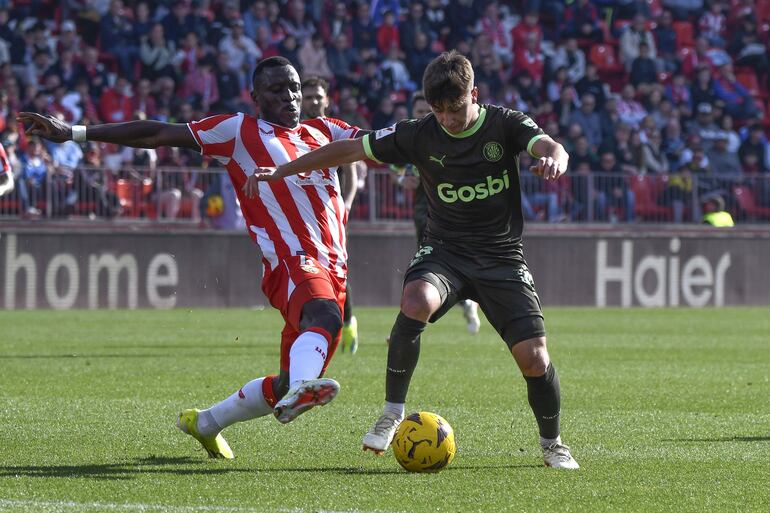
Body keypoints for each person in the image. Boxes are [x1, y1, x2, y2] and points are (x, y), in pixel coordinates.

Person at [245, 51, 579, 469]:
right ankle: (391, 414)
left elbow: (549, 145)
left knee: (535, 359)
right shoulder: (419, 133)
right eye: (439, 112)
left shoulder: (505, 124)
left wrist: (554, 159)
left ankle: (552, 443)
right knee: (416, 301)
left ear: (473, 94)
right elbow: (347, 150)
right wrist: (284, 170)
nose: (447, 120)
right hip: (445, 252)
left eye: (455, 110)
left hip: (501, 258)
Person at [18, 56, 363, 459]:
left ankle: (206, 422)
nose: (289, 96)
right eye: (276, 90)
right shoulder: (239, 131)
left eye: (293, 87)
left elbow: (387, 142)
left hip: (335, 269)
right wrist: (76, 132)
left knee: (289, 381)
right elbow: (158, 134)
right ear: (256, 98)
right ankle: (305, 387)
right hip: (291, 262)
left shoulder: (328, 131)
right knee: (323, 317)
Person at [396, 90, 481, 335]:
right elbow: (395, 168)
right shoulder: (410, 135)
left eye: (428, 111)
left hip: (442, 210)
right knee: (428, 260)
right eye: (419, 112)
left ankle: (408, 325)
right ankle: (464, 298)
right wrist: (402, 180)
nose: (424, 115)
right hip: (422, 206)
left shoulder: (446, 134)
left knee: (427, 261)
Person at [301, 75, 361, 354]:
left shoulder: (332, 131)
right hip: (301, 216)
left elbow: (349, 171)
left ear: (327, 99)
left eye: (317, 96)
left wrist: (345, 205)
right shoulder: (295, 130)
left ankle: (347, 320)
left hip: (330, 216)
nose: (313, 101)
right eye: (308, 95)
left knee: (336, 271)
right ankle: (311, 327)